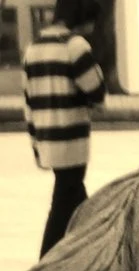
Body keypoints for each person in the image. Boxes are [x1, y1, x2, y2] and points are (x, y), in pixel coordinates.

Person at [22, 0, 107, 256]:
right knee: (62, 206)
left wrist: (35, 144)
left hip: (48, 139)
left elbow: (28, 102)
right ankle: (45, 265)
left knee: (77, 200)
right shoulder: (75, 47)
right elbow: (97, 93)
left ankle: (92, 252)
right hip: (72, 141)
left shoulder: (33, 49)